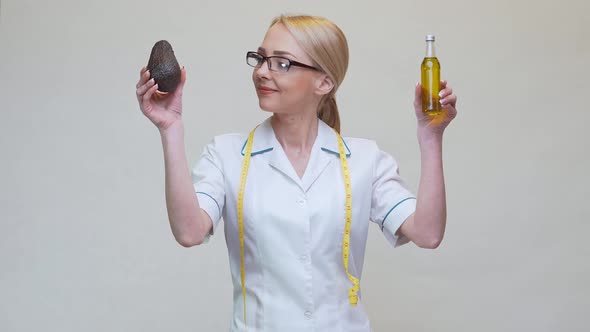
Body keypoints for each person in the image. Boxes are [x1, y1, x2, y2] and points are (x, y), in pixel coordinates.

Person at [135, 14, 457, 332]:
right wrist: (171, 128)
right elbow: (189, 233)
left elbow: (428, 234)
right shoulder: (226, 155)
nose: (262, 71)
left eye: (281, 63)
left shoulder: (364, 160)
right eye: (260, 59)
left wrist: (431, 137)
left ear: (324, 82)